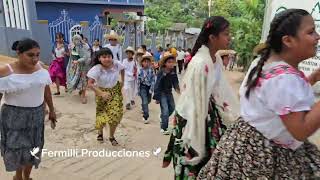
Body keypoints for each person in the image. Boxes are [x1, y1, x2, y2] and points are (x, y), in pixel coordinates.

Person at [198, 9, 320, 179]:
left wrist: (312, 78)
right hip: (265, 154)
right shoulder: (284, 79)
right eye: (311, 32)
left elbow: (277, 99)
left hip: (244, 142)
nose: (317, 36)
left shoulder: (264, 63)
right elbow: (300, 130)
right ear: (288, 40)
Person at [162, 16, 240, 179]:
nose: (229, 38)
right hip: (193, 119)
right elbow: (194, 103)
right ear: (212, 38)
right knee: (193, 161)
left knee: (212, 161)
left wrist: (234, 113)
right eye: (226, 34)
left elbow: (220, 89)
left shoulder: (215, 59)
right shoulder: (200, 63)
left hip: (208, 113)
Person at [0, 38, 57, 180]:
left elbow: (46, 90)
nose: (35, 59)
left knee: (34, 147)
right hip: (13, 117)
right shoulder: (6, 71)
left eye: (37, 54)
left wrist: (52, 110)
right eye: (30, 55)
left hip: (37, 115)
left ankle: (27, 175)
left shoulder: (40, 68)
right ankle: (18, 176)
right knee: (17, 149)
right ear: (19, 53)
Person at [87, 48, 125, 146]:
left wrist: (122, 81)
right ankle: (100, 132)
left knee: (115, 114)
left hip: (115, 92)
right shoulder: (96, 69)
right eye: (104, 57)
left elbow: (123, 69)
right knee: (101, 114)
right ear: (99, 58)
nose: (107, 59)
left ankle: (111, 136)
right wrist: (101, 93)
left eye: (109, 56)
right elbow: (90, 84)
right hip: (101, 92)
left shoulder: (116, 64)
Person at [153, 52, 181, 135]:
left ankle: (163, 118)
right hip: (161, 93)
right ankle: (163, 127)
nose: (171, 64)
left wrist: (179, 91)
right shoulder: (161, 72)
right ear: (164, 63)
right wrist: (157, 97)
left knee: (172, 108)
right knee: (165, 110)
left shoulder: (173, 72)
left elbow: (175, 83)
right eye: (169, 62)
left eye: (172, 62)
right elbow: (157, 85)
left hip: (169, 93)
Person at [66, 34, 91, 104]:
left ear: (81, 40)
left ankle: (83, 95)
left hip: (83, 66)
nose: (76, 41)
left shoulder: (85, 46)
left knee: (83, 80)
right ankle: (80, 91)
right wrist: (71, 64)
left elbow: (86, 57)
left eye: (78, 40)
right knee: (75, 79)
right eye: (75, 40)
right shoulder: (72, 46)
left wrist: (78, 61)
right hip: (74, 66)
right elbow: (71, 56)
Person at [138, 55, 155, 124]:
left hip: (149, 87)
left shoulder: (151, 70)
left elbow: (153, 80)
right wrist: (138, 90)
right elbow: (138, 80)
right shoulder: (140, 70)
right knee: (145, 101)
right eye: (145, 62)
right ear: (142, 63)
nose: (146, 63)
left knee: (148, 101)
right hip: (142, 87)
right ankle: (146, 116)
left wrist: (151, 89)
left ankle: (143, 106)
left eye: (148, 62)